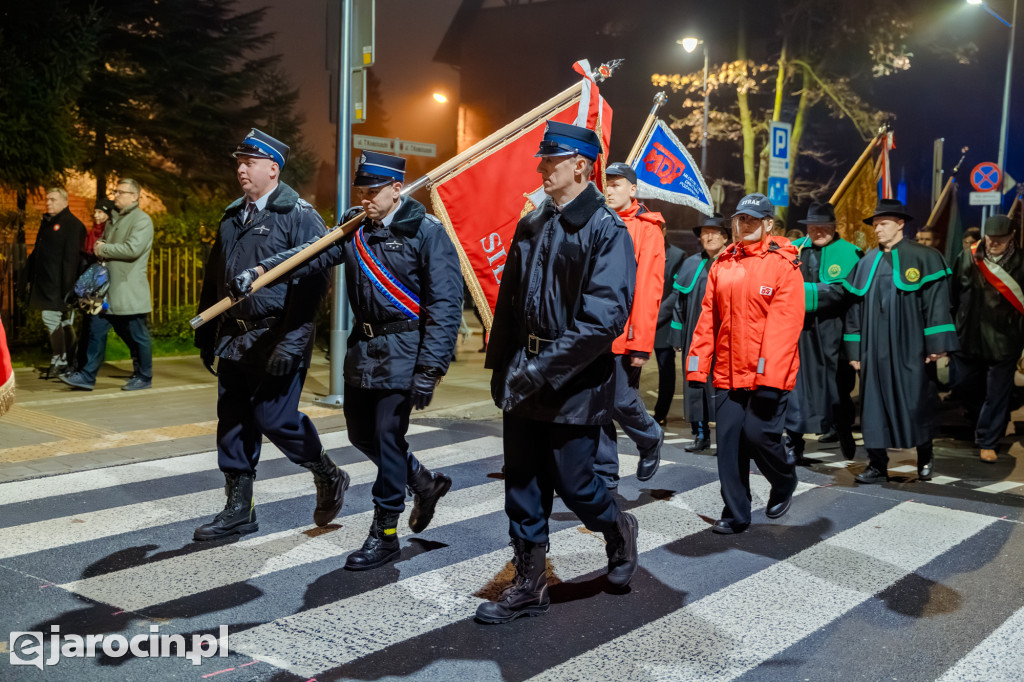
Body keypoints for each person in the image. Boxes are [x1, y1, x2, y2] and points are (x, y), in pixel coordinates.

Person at [232, 150, 463, 569]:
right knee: (361, 437)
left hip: (404, 351)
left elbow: (447, 305)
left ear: (397, 188)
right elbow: (310, 254)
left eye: (374, 191)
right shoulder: (355, 225)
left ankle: (385, 533)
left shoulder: (425, 233)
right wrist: (262, 270)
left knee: (389, 442)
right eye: (362, 191)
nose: (366, 198)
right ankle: (424, 483)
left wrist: (431, 367)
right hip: (363, 351)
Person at [476, 121, 639, 623]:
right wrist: (501, 364)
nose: (541, 168)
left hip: (573, 380)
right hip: (524, 373)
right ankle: (530, 582)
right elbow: (510, 301)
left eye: (550, 161)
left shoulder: (607, 231)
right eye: (542, 161)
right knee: (522, 480)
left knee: (576, 485)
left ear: (579, 166)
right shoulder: (534, 221)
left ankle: (617, 529)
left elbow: (603, 320)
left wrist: (541, 370)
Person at [191, 129, 349, 542]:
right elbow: (215, 279)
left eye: (250, 163)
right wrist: (207, 332)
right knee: (234, 425)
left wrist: (292, 342)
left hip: (277, 337)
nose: (241, 169)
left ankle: (327, 473)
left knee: (274, 419)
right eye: (239, 162)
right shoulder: (233, 215)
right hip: (234, 338)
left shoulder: (298, 215)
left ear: (273, 169)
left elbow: (314, 287)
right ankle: (239, 510)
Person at [685, 193, 804, 535]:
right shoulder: (723, 263)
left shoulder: (784, 265)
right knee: (729, 443)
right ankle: (736, 511)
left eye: (753, 219)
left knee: (759, 435)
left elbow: (784, 329)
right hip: (727, 371)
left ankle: (784, 480)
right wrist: (697, 366)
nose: (745, 224)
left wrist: (768, 380)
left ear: (769, 224)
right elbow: (708, 318)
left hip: (768, 374)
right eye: (741, 218)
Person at [844, 199, 959, 484]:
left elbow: (937, 304)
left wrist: (936, 344)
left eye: (883, 223)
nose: (877, 229)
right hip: (873, 347)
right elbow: (854, 310)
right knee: (873, 405)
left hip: (912, 347)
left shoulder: (925, 257)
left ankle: (925, 456)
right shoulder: (867, 262)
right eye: (875, 224)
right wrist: (854, 349)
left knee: (916, 400)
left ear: (900, 224)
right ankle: (877, 464)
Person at [593, 161, 666, 488]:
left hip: (625, 334)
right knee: (596, 406)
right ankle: (605, 477)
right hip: (593, 333)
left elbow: (650, 289)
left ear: (633, 190)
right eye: (607, 183)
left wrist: (640, 342)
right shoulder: (598, 221)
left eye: (617, 184)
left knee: (621, 400)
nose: (609, 189)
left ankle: (650, 437)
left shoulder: (647, 229)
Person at [786, 202, 863, 463]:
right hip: (799, 333)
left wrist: (800, 294)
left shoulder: (851, 253)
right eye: (812, 226)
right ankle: (795, 445)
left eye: (823, 226)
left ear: (834, 227)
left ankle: (844, 433)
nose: (818, 231)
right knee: (795, 391)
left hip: (835, 334)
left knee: (839, 390)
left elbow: (843, 293)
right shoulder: (793, 250)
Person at [60, 179, 154, 391]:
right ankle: (86, 376)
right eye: (115, 191)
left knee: (137, 336)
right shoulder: (114, 220)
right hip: (106, 292)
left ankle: (144, 376)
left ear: (135, 196)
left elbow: (132, 250)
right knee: (96, 330)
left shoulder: (142, 220)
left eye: (121, 192)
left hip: (127, 291)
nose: (116, 195)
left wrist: (102, 248)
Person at [950, 214, 1024, 463]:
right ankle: (982, 418)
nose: (993, 243)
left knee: (996, 393)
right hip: (967, 337)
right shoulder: (967, 257)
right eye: (990, 238)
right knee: (962, 385)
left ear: (1011, 236)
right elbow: (952, 294)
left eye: (1000, 239)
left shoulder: (1022, 263)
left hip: (1005, 340)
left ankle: (987, 440)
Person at [672, 214, 730, 453]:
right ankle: (701, 435)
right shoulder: (691, 263)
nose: (708, 236)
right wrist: (677, 337)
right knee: (695, 387)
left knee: (721, 388)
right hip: (693, 338)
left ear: (725, 237)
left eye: (714, 232)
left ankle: (725, 439)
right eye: (704, 233)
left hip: (723, 338)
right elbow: (679, 304)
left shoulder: (733, 262)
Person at [25, 187, 85, 376]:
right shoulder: (49, 223)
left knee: (52, 319)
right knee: (63, 322)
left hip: (60, 286)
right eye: (47, 199)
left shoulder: (72, 225)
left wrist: (69, 291)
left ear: (65, 201)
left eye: (53, 199)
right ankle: (67, 359)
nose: (48, 203)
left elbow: (71, 260)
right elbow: (38, 252)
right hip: (48, 283)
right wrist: (27, 274)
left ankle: (60, 359)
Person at [70, 198, 118, 375]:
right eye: (96, 212)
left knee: (98, 326)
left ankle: (87, 367)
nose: (97, 216)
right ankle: (82, 366)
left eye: (101, 212)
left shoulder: (110, 233)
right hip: (89, 287)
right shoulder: (91, 234)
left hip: (104, 289)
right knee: (88, 325)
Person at [652, 226, 687, 425]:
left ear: (665, 231)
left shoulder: (677, 255)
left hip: (662, 322)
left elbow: (676, 292)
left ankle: (660, 413)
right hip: (639, 319)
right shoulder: (639, 249)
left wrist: (655, 317)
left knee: (666, 370)